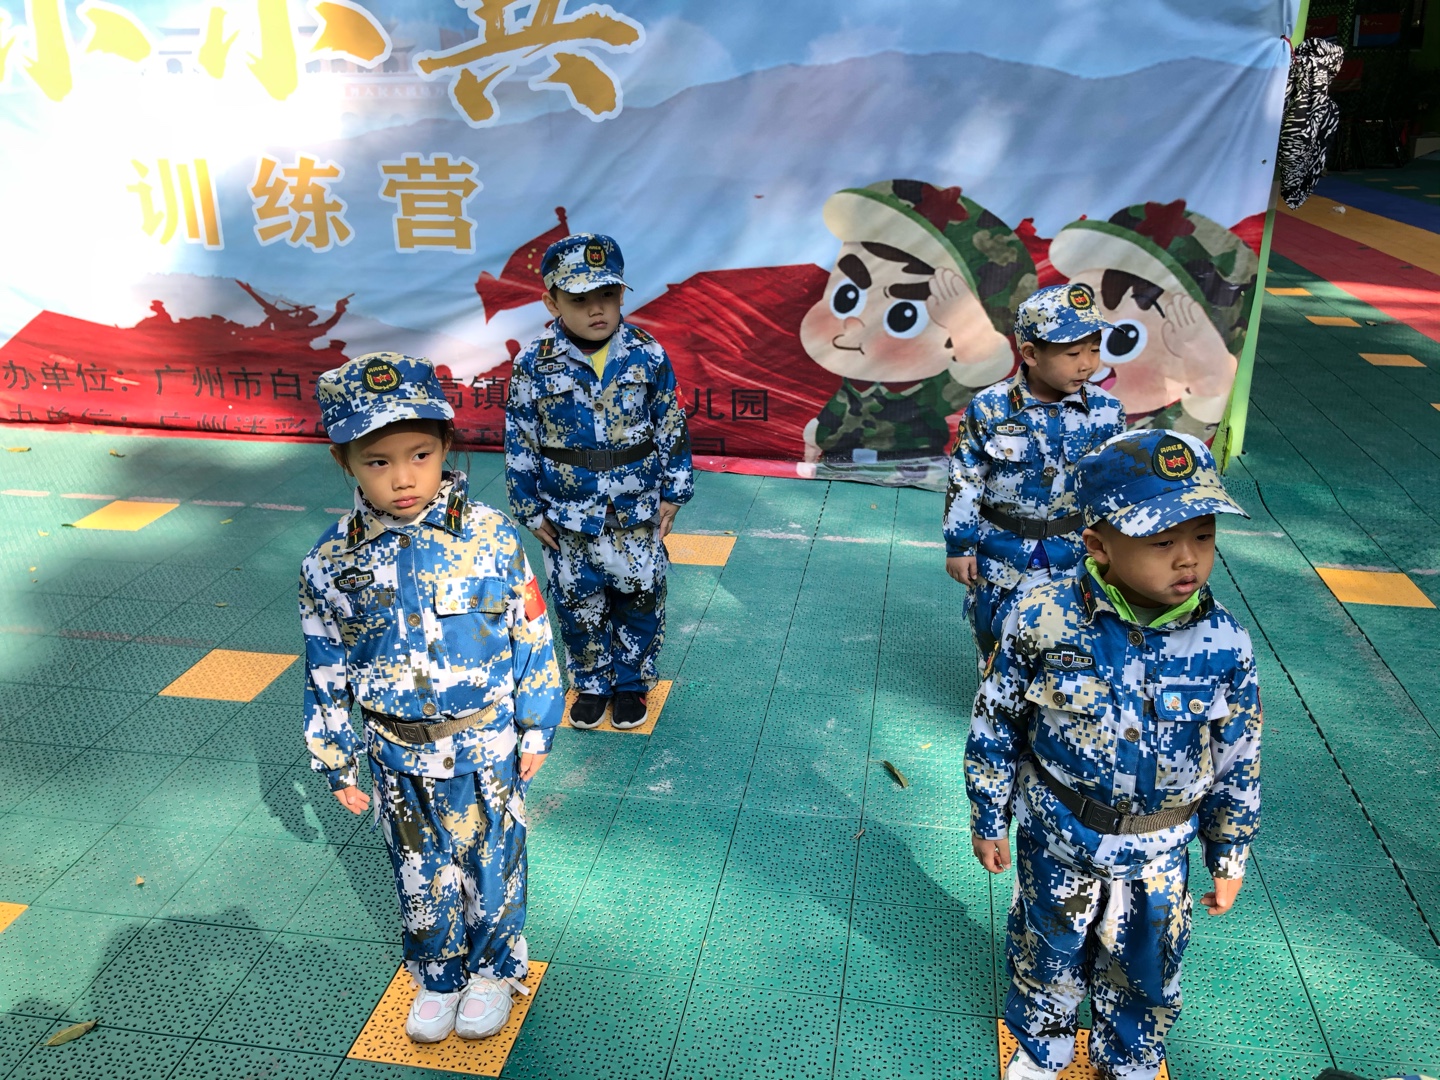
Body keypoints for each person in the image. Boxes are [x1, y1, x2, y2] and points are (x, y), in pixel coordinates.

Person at [966, 428, 1262, 1080]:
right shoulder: (1043, 617)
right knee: (1046, 955)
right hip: (1058, 836)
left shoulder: (1225, 644)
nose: (1188, 559)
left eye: (1204, 536)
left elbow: (1238, 757)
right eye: (1162, 542)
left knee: (1148, 973)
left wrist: (1228, 851)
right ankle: (1041, 1050)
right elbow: (997, 719)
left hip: (1158, 852)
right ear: (1098, 545)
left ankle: (1128, 1063)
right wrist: (988, 815)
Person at [301, 351, 563, 1044]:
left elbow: (530, 631)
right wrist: (334, 757)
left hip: (486, 744)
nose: (403, 477)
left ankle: (494, 971)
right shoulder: (330, 562)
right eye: (377, 461)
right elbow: (326, 665)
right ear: (344, 463)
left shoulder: (491, 536)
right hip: (395, 753)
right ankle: (438, 976)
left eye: (420, 454)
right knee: (419, 872)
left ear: (447, 446)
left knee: (493, 864)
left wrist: (537, 726)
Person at [505, 233, 693, 729]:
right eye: (579, 299)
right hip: (567, 510)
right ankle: (590, 682)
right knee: (576, 601)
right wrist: (528, 508)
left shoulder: (647, 354)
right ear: (552, 302)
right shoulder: (533, 363)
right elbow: (520, 435)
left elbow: (670, 424)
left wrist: (675, 491)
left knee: (641, 595)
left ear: (622, 295)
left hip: (635, 505)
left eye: (607, 295)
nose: (597, 309)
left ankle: (631, 683)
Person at [799, 178, 1037, 488]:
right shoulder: (853, 385)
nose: (856, 325)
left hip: (915, 470)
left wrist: (969, 326)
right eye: (846, 297)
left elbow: (979, 371)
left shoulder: (929, 390)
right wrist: (816, 434)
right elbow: (835, 414)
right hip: (840, 465)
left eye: (904, 316)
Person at [944, 283, 1127, 664]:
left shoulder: (1107, 412)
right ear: (1030, 354)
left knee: (1067, 647)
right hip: (1002, 555)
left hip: (1074, 556)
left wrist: (1116, 551)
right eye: (1073, 353)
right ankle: (999, 700)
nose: (1087, 364)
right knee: (996, 643)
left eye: (1095, 349)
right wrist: (960, 546)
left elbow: (1114, 487)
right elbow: (965, 477)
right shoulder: (991, 408)